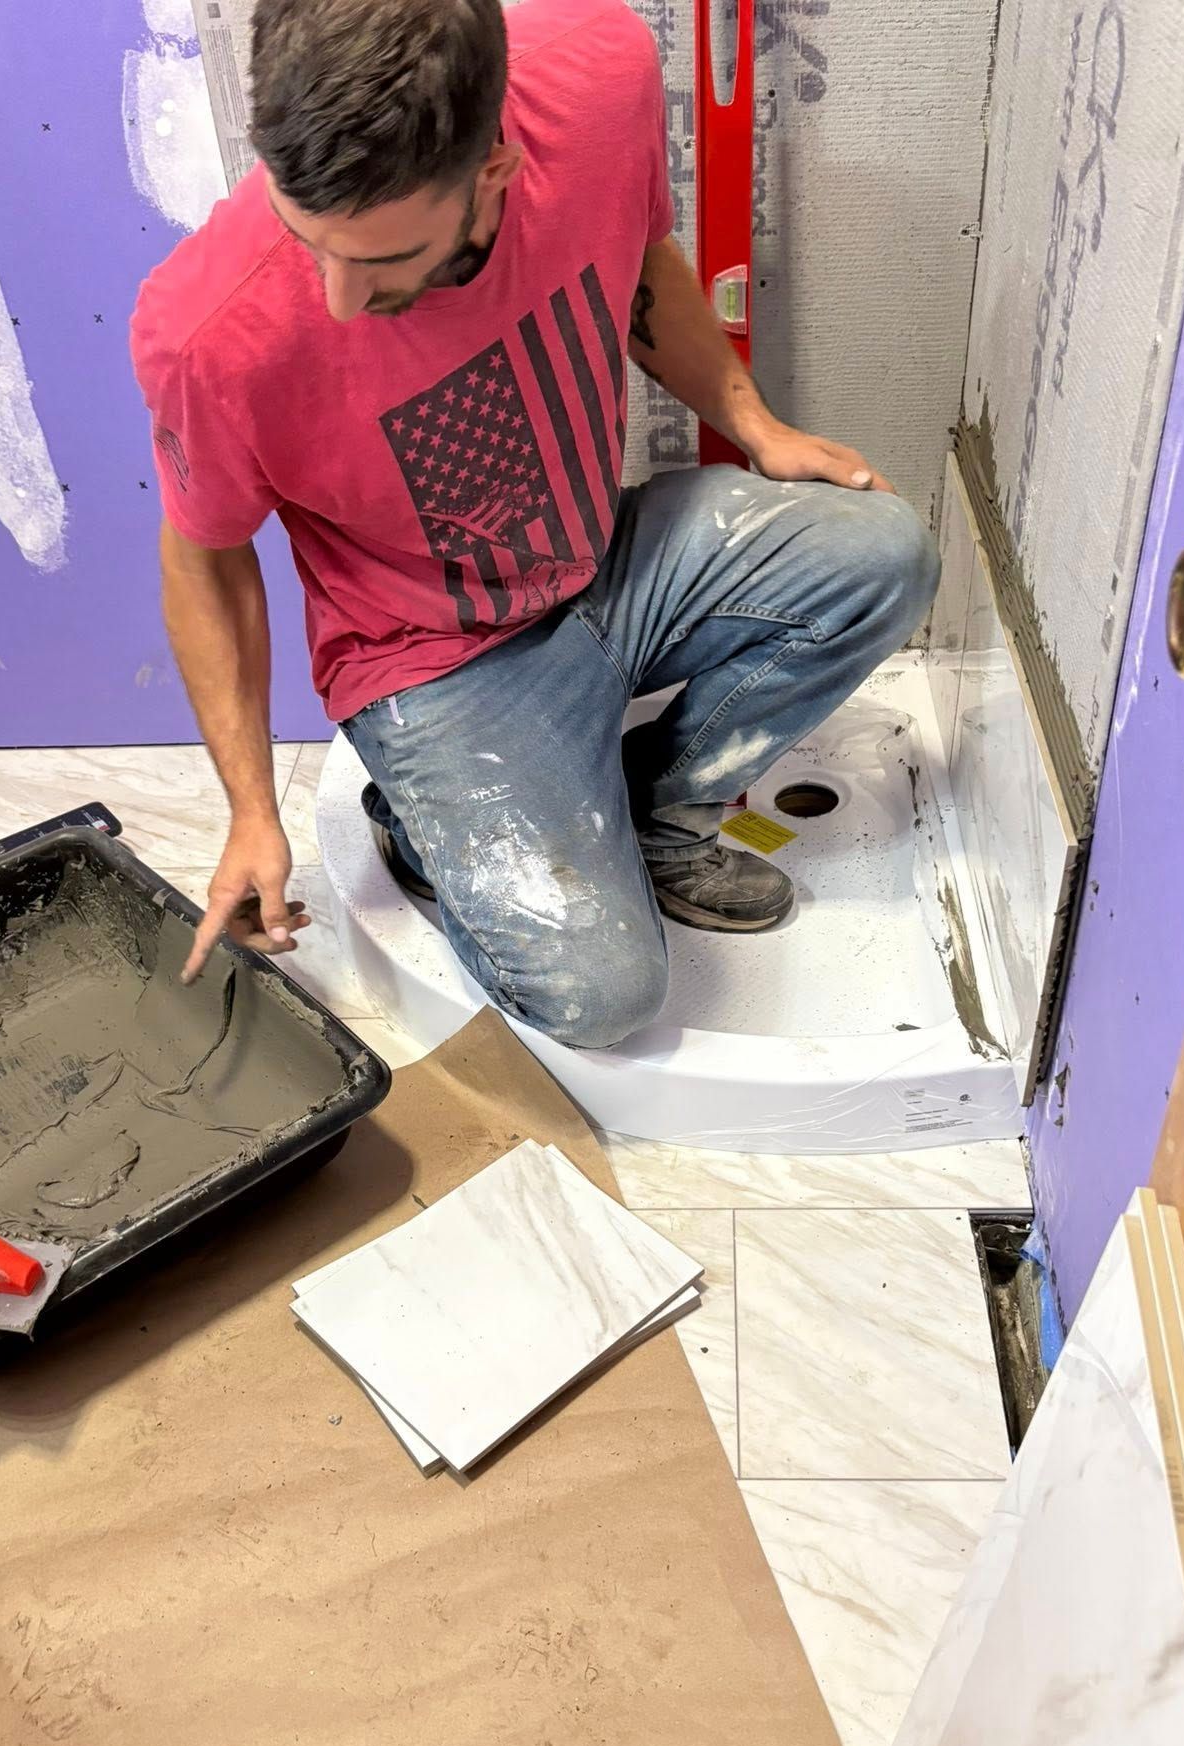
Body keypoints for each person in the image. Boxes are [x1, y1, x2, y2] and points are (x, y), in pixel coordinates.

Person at [131, 0, 938, 1050]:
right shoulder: (206, 331)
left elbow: (644, 261)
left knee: (885, 556)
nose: (335, 299)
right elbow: (205, 557)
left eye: (384, 262)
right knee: (604, 998)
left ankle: (643, 805)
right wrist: (251, 808)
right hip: (437, 662)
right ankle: (430, 824)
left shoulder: (598, 75)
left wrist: (754, 425)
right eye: (307, 238)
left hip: (603, 566)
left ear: (496, 172)